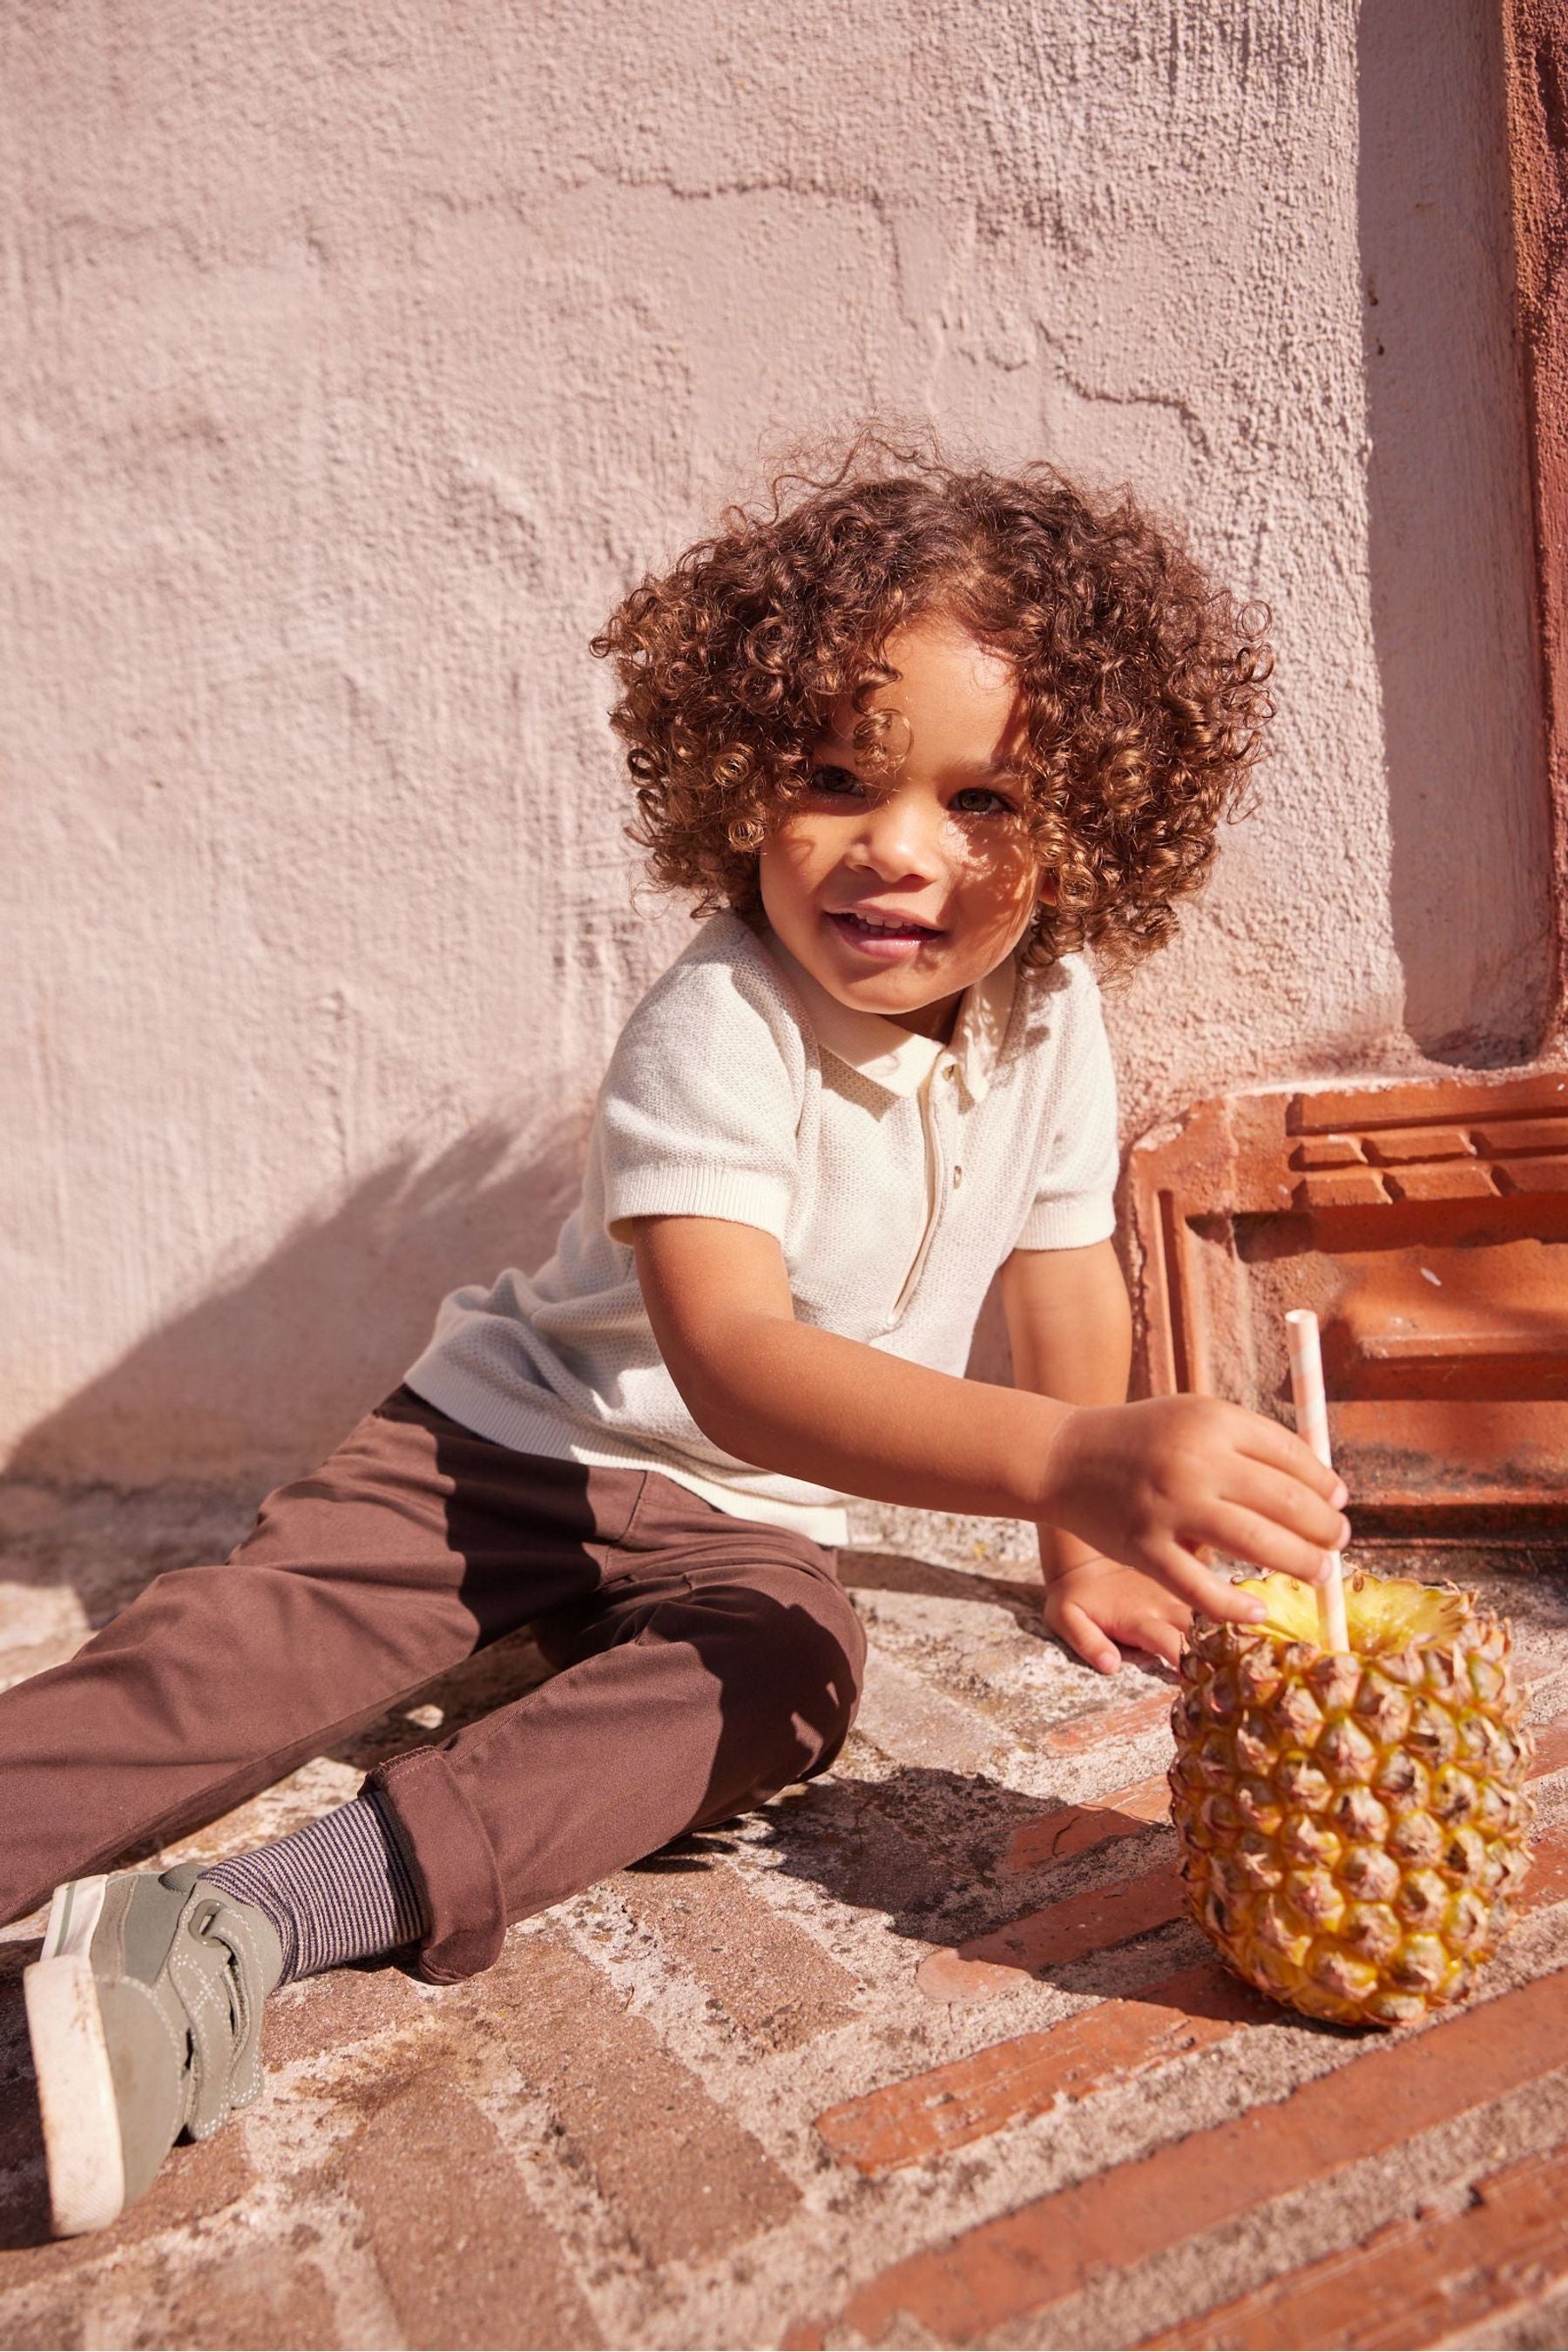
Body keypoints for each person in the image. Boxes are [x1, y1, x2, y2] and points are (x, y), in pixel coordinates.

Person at [8, 439, 1348, 2236]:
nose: (900, 852)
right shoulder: (721, 1022)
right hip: (500, 1452)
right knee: (225, 1665)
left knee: (787, 1671)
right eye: (833, 778)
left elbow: (1059, 1263)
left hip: (735, 1526)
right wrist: (1069, 1451)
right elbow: (733, 1364)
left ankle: (246, 1926)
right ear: (735, 783)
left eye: (986, 801)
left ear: (1095, 819)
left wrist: (1076, 1527)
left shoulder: (1051, 1006)